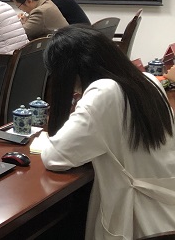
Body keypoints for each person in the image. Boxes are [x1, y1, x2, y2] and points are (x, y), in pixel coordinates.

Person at [39, 26, 175, 239]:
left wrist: (43, 139)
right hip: (166, 210)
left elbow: (55, 157)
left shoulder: (103, 92)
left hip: (141, 221)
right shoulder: (148, 80)